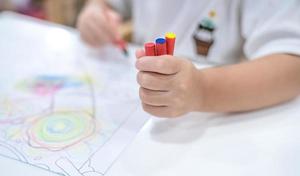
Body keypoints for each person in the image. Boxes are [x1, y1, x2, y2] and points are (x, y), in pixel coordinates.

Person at [77, 0, 300, 118]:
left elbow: (292, 66)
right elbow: (108, 3)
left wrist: (204, 90)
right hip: (136, 107)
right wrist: (95, 10)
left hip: (215, 118)